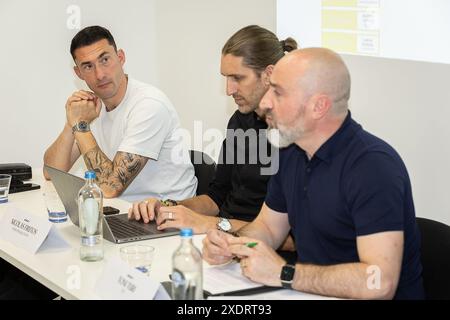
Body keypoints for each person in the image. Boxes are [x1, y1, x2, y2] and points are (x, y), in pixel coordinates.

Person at [202, 48, 425, 300]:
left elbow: (379, 282)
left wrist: (285, 273)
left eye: (278, 92)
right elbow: (268, 228)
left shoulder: (373, 166)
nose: (264, 103)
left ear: (318, 106)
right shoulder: (291, 152)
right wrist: (231, 244)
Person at [128, 25, 297, 236]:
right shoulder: (240, 120)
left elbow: (290, 238)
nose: (228, 90)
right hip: (223, 238)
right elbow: (217, 196)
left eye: (238, 78)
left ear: (268, 74)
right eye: (226, 78)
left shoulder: (296, 135)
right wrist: (168, 208)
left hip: (260, 246)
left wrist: (210, 225)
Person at [43, 26, 197, 202]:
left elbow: (109, 188)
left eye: (105, 60)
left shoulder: (148, 104)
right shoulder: (92, 108)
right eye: (88, 66)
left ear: (121, 57)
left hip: (166, 217)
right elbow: (50, 172)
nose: (100, 74)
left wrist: (81, 126)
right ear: (78, 73)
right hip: (123, 212)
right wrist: (72, 123)